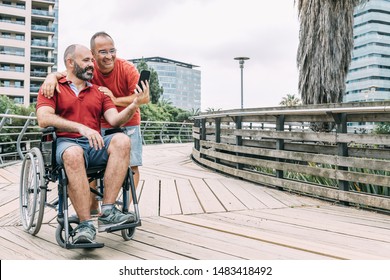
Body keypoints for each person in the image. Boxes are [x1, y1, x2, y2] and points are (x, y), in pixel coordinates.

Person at [36, 44, 150, 244]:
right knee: (73, 154)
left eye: (91, 60)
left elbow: (115, 120)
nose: (92, 65)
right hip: (65, 143)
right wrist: (80, 128)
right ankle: (85, 224)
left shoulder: (99, 91)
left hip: (94, 145)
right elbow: (43, 118)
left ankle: (107, 211)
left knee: (122, 139)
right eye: (87, 61)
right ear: (70, 63)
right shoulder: (53, 86)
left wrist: (134, 104)